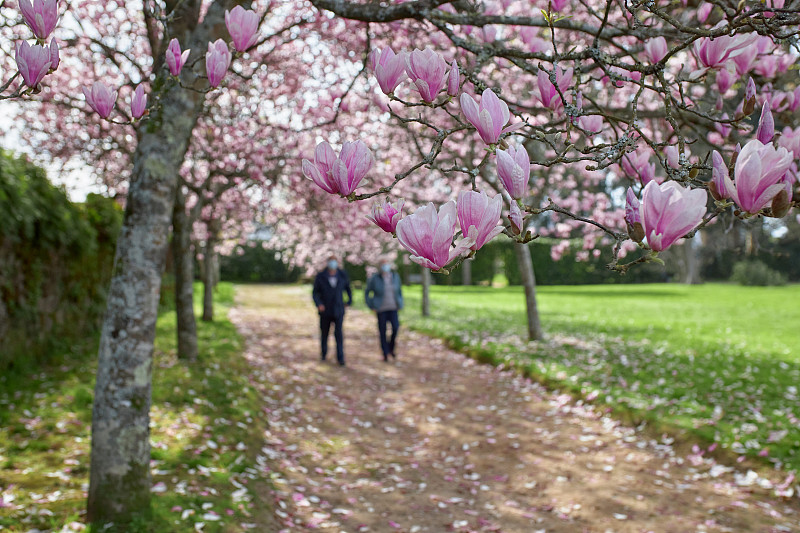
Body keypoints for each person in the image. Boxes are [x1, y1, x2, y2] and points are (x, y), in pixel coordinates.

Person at [312, 256, 352, 366]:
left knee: (338, 334)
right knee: (324, 333)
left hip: (338, 309)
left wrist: (348, 301)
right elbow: (315, 293)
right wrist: (319, 304)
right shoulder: (321, 276)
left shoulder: (342, 275)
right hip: (325, 310)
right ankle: (324, 354)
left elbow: (348, 289)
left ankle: (340, 357)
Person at [365, 259, 403, 362]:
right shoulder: (374, 278)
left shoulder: (395, 277)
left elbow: (399, 291)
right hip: (381, 309)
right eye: (383, 265)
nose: (385, 267)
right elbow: (367, 292)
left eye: (386, 264)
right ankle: (385, 353)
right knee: (382, 331)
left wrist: (400, 303)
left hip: (393, 308)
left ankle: (391, 348)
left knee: (395, 328)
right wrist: (371, 305)